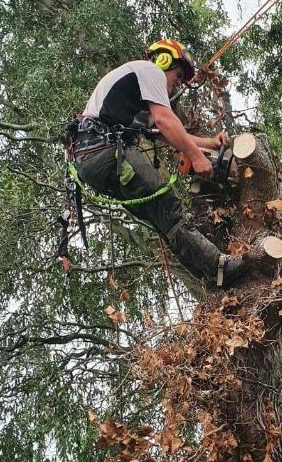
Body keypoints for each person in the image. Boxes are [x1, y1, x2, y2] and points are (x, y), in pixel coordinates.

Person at [73, 39, 257, 286]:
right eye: (179, 74)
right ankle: (218, 266)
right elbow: (165, 121)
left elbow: (170, 134)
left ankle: (209, 277)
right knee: (167, 204)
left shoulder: (137, 96)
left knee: (162, 218)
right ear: (163, 60)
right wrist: (196, 157)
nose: (178, 83)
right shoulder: (150, 71)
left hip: (91, 159)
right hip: (105, 151)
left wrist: (211, 144)